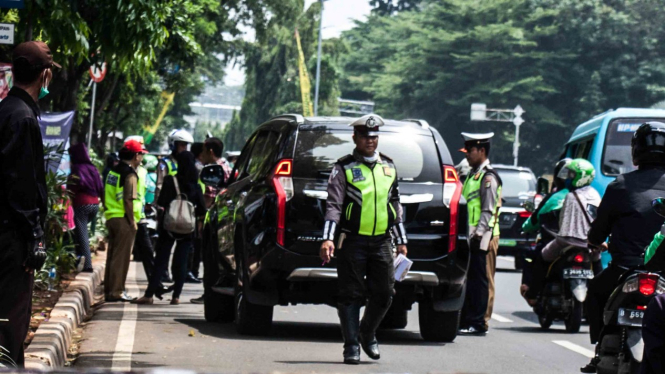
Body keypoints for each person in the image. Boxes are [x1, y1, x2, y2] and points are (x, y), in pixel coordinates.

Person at [319, 114, 407, 365]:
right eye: (366, 136)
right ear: (355, 138)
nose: (370, 141)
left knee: (385, 293)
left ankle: (367, 332)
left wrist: (401, 240)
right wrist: (328, 239)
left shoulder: (389, 166)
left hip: (381, 242)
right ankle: (351, 346)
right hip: (352, 241)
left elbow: (395, 205)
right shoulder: (343, 167)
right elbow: (333, 206)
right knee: (351, 295)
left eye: (374, 136)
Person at [581, 122, 665, 373]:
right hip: (662, 271)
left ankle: (598, 348)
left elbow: (600, 228)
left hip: (624, 268)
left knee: (595, 291)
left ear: (636, 150)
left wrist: (594, 242)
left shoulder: (619, 185)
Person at [0, 40, 55, 367]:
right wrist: (33, 236)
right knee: (10, 320)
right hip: (12, 239)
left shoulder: (7, 111)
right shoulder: (22, 118)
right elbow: (21, 185)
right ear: (45, 76)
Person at [133, 151, 206, 305]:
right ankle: (176, 296)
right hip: (188, 229)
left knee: (160, 260)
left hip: (169, 227)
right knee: (182, 261)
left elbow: (162, 202)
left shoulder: (169, 180)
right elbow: (201, 210)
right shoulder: (195, 186)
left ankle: (149, 294)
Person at [524, 159, 601, 304]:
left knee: (543, 257)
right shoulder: (595, 195)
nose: (568, 178)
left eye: (572, 174)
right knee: (597, 263)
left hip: (566, 241)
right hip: (589, 243)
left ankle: (533, 295)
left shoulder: (570, 196)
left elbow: (562, 222)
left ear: (581, 177)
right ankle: (602, 296)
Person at [458, 132, 502, 336]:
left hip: (484, 236)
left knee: (482, 281)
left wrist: (479, 234)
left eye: (470, 151)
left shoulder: (488, 177)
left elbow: (488, 209)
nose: (467, 155)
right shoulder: (473, 175)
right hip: (473, 235)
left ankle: (479, 322)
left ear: (482, 151)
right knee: (472, 280)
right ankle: (468, 319)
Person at [520, 158, 572, 303]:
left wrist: (525, 228)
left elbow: (536, 219)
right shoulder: (590, 196)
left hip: (560, 242)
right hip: (586, 244)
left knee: (536, 256)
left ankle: (532, 295)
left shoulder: (556, 198)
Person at [103, 139, 146, 302]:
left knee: (113, 256)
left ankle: (110, 290)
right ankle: (117, 292)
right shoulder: (130, 174)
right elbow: (129, 200)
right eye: (141, 154)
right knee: (121, 258)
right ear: (135, 156)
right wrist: (132, 221)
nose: (141, 158)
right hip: (123, 219)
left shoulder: (113, 171)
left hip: (111, 216)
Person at [190, 137, 231, 304]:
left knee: (210, 258)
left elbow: (211, 196)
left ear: (211, 152)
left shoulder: (216, 170)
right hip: (221, 219)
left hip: (216, 219)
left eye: (204, 151)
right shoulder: (225, 167)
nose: (202, 154)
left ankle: (210, 293)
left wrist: (201, 216)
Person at [68, 142, 103, 272]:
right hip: (94, 204)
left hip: (82, 204)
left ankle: (87, 264)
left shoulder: (77, 168)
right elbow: (101, 187)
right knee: (80, 233)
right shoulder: (93, 168)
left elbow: (73, 186)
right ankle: (78, 260)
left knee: (81, 234)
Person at [155, 129, 193, 202]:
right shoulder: (165, 162)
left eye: (186, 145)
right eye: (182, 145)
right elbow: (159, 185)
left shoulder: (188, 163)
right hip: (169, 203)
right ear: (174, 145)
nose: (184, 148)